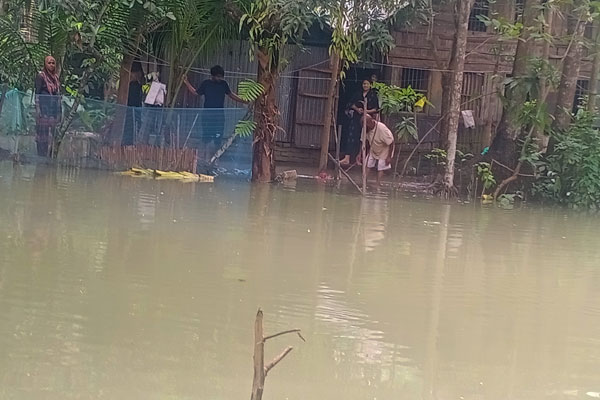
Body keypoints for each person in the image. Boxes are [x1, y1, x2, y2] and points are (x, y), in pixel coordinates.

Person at [182, 65, 247, 159]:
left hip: (219, 116)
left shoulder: (223, 84)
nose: (220, 78)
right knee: (206, 138)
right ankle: (204, 158)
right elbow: (196, 93)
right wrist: (186, 82)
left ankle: (215, 159)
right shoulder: (206, 84)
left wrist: (244, 101)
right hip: (207, 115)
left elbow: (231, 95)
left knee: (218, 139)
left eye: (221, 77)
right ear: (212, 75)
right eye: (218, 76)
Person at [340, 79, 379, 165]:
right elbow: (351, 103)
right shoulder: (358, 93)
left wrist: (366, 111)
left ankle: (359, 159)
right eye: (364, 84)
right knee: (351, 136)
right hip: (356, 117)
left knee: (363, 139)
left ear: (370, 85)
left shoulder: (373, 95)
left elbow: (376, 108)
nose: (365, 85)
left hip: (367, 119)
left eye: (367, 84)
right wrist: (357, 109)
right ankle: (347, 158)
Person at [34, 56, 61, 157]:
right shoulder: (41, 76)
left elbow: (58, 95)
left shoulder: (56, 78)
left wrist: (59, 112)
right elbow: (37, 94)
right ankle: (41, 157)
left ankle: (50, 158)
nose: (51, 65)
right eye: (49, 63)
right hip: (43, 111)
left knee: (53, 136)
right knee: (42, 136)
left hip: (53, 111)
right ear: (45, 64)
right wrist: (38, 110)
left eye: (53, 63)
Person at [364, 114, 395, 187]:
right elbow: (364, 141)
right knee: (367, 164)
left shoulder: (381, 128)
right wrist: (361, 153)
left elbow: (391, 142)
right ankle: (364, 180)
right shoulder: (365, 128)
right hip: (373, 147)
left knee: (381, 167)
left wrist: (389, 157)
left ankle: (378, 183)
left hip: (384, 149)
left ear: (370, 123)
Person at [122, 69, 144, 146]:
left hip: (134, 109)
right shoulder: (132, 85)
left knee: (132, 125)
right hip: (132, 108)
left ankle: (131, 142)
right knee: (130, 125)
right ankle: (128, 142)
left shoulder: (136, 85)